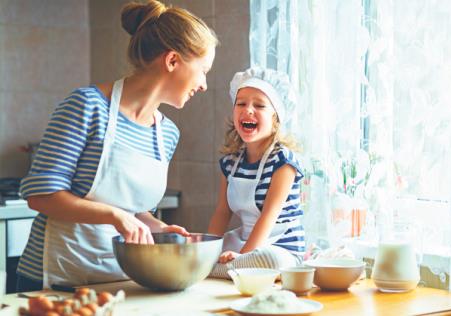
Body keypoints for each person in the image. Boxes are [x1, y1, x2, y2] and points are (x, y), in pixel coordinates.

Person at [16, 0, 218, 291]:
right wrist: (115, 216)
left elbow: (134, 211)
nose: (204, 84)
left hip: (123, 281)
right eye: (203, 70)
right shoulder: (87, 106)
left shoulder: (167, 134)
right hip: (56, 280)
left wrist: (157, 227)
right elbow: (41, 196)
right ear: (172, 60)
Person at [208, 67, 305, 278]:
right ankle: (220, 268)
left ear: (276, 119)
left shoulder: (283, 162)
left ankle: (218, 271)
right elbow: (222, 212)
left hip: (281, 249)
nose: (248, 110)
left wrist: (242, 257)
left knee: (267, 261)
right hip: (245, 241)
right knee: (204, 250)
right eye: (241, 104)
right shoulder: (231, 163)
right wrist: (205, 250)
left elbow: (269, 216)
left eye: (259, 105)